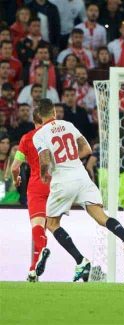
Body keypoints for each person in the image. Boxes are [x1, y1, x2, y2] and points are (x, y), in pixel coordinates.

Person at [32, 99, 124, 282]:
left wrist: (46, 173)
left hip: (62, 180)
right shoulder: (68, 125)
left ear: (39, 116)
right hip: (82, 176)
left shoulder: (40, 134)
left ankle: (81, 261)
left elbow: (44, 160)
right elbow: (87, 149)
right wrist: (70, 159)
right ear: (53, 113)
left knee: (51, 224)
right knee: (101, 217)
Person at [11, 109, 50, 282]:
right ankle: (33, 271)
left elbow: (14, 167)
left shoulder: (27, 138)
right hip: (55, 186)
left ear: (34, 120)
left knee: (37, 226)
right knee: (45, 229)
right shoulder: (53, 137)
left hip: (36, 186)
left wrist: (16, 178)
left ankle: (42, 250)